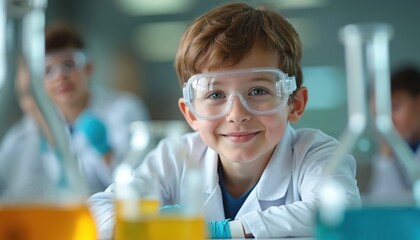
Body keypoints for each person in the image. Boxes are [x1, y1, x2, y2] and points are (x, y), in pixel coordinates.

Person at [88, 3, 361, 238]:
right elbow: (99, 208)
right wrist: (148, 228)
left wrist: (222, 231)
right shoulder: (176, 157)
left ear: (295, 104)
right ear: (191, 113)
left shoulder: (316, 153)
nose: (236, 114)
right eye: (216, 94)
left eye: (258, 91)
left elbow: (340, 211)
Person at [0, 22, 150, 195]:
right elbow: (10, 181)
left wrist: (106, 153)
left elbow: (138, 183)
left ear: (88, 67)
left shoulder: (124, 109)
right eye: (48, 70)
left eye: (69, 65)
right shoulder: (35, 125)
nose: (60, 76)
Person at [367, 65, 420, 201]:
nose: (387, 121)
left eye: (395, 107)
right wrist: (386, 154)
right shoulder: (394, 152)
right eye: (378, 115)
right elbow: (384, 206)